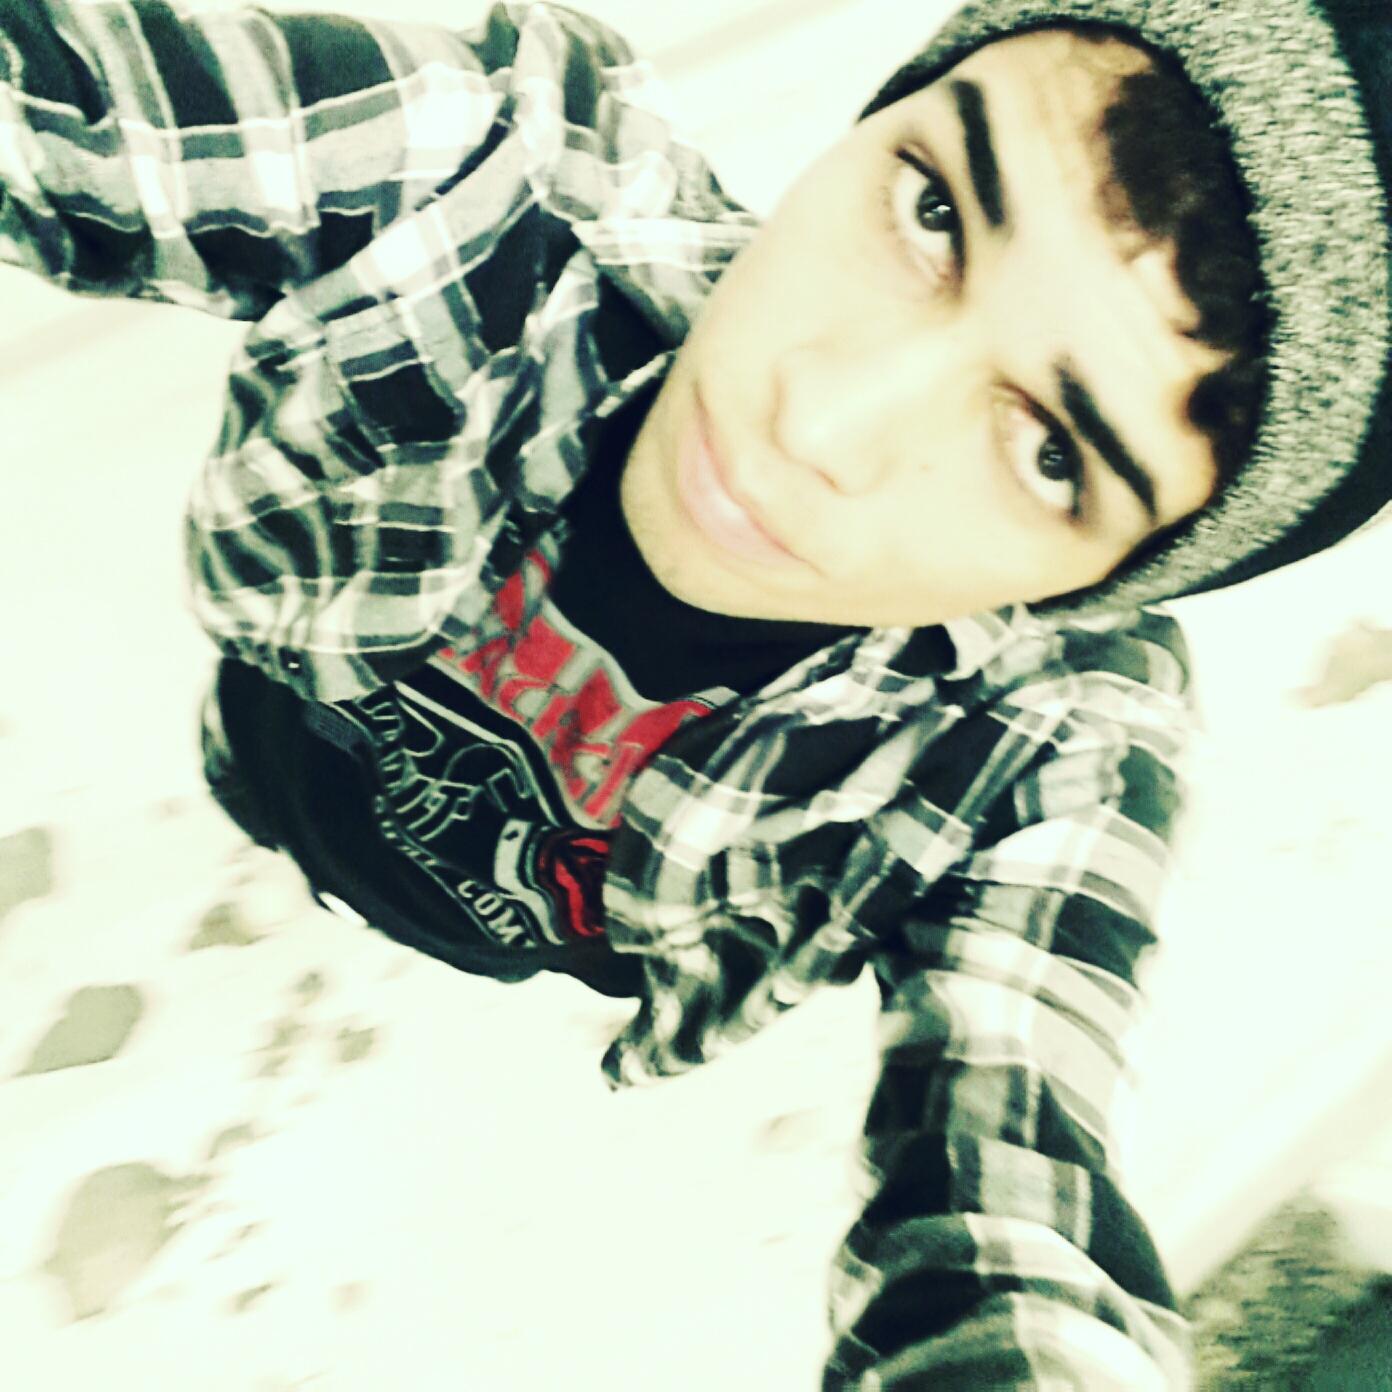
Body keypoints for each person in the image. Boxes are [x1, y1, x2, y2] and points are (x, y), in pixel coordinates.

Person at [2, 0, 1388, 1385]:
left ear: (1113, 579)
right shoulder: (479, 182)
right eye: (933, 210)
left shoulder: (1050, 749)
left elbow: (1016, 1191)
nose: (820, 420)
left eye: (1051, 454)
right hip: (266, 728)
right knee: (256, 787)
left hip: (532, 940)